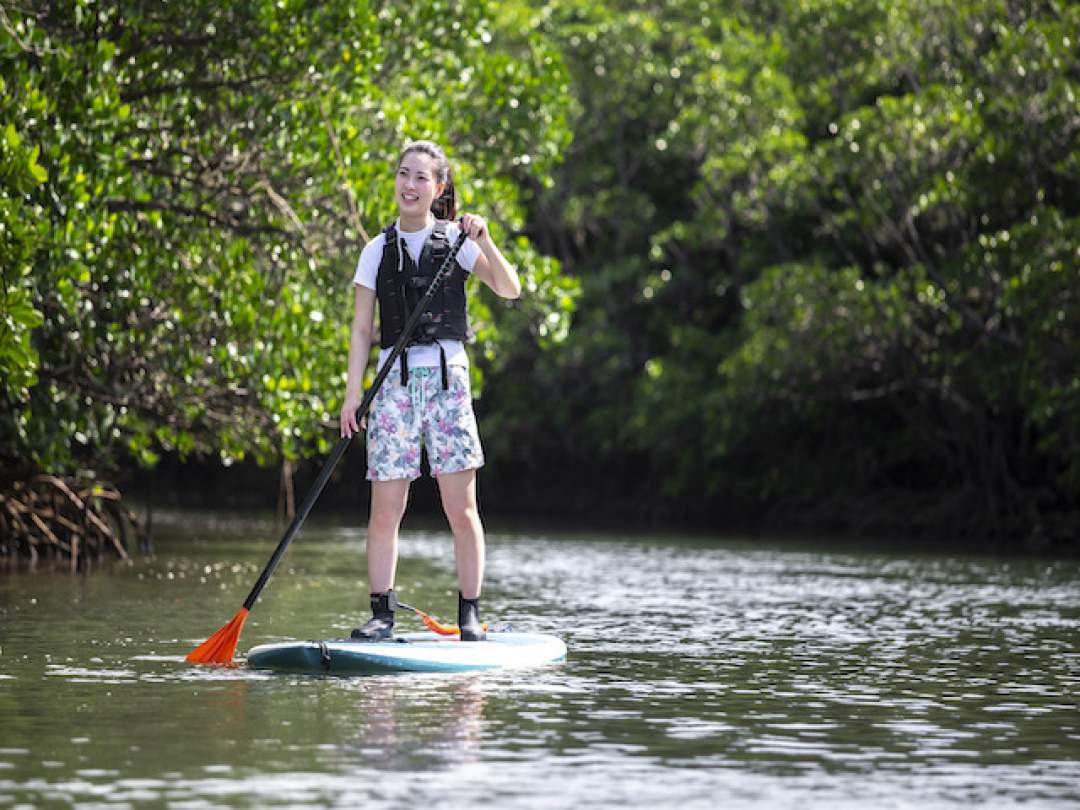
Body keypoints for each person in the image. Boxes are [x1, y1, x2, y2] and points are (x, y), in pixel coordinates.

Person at [339, 140, 521, 642]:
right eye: (403, 174)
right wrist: (351, 396)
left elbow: (510, 289)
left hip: (446, 385)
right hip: (393, 386)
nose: (409, 185)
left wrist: (485, 240)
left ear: (439, 189)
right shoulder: (376, 250)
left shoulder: (460, 245)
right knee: (385, 510)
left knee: (461, 509)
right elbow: (360, 330)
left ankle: (469, 613)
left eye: (421, 177)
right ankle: (382, 615)